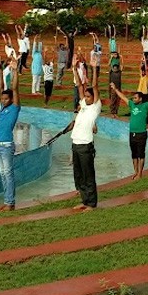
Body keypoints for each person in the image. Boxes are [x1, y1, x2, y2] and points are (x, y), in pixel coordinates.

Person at [52, 64, 101, 211]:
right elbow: (79, 85)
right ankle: (84, 200)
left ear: (94, 98)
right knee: (78, 176)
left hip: (86, 146)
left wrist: (93, 69)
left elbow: (94, 85)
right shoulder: (83, 105)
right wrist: (74, 69)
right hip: (76, 144)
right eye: (85, 96)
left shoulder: (95, 107)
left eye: (88, 96)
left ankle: (91, 204)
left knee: (88, 175)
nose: (85, 98)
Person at [110, 81, 148, 180]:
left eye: (135, 98)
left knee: (141, 154)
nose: (133, 99)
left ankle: (140, 173)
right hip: (132, 133)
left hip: (142, 134)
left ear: (140, 99)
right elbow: (123, 97)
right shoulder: (131, 105)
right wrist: (115, 89)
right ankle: (135, 172)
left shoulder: (145, 106)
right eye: (133, 98)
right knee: (134, 155)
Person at [0, 58, 21, 211]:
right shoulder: (2, 109)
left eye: (6, 98)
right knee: (3, 175)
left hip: (7, 146)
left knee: (8, 175)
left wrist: (15, 71)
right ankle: (7, 201)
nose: (3, 100)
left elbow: (15, 89)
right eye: (2, 98)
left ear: (11, 99)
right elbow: (1, 88)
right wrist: (1, 73)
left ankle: (10, 203)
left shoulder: (14, 108)